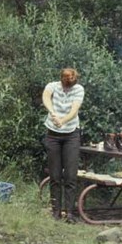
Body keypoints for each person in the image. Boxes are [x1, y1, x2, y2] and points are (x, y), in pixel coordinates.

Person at [42, 68, 85, 222]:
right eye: (66, 84)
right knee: (54, 175)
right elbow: (46, 97)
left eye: (70, 85)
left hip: (71, 134)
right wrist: (53, 113)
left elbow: (74, 110)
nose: (68, 87)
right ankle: (56, 211)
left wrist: (63, 120)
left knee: (70, 175)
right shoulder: (52, 86)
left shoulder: (79, 89)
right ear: (61, 79)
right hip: (53, 135)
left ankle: (70, 213)